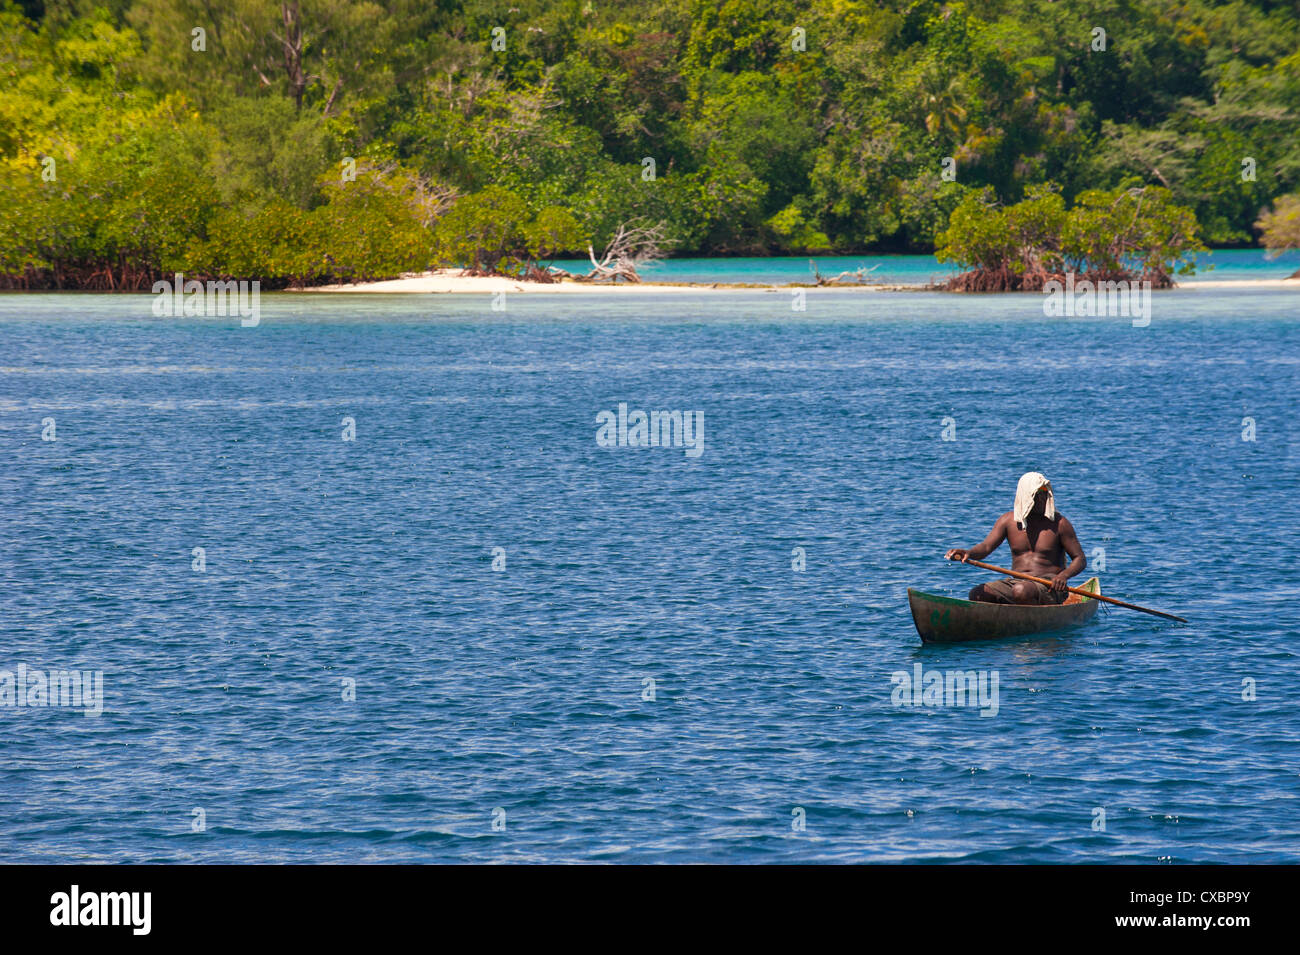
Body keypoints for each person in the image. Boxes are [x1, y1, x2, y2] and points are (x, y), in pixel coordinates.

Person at [945, 472, 1086, 605]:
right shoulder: (1008, 521)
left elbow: (1080, 559)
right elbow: (986, 547)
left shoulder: (1060, 524)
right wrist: (968, 553)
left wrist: (1064, 576)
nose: (1043, 498)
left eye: (1045, 493)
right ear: (1026, 497)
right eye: (1038, 494)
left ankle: (1033, 618)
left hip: (1050, 587)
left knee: (1021, 591)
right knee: (977, 594)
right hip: (1017, 584)